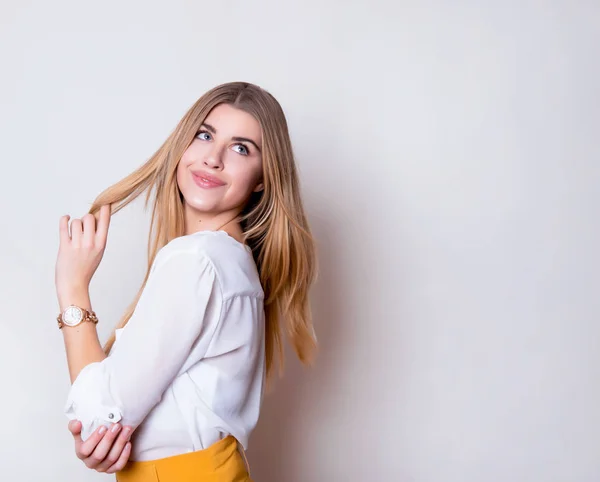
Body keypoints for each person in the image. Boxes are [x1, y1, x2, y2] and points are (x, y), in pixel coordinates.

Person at [54, 81, 318, 481]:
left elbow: (98, 419)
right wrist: (104, 440)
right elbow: (113, 423)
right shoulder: (231, 262)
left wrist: (72, 287)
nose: (213, 158)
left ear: (263, 178)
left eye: (241, 147)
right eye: (204, 135)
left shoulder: (198, 259)